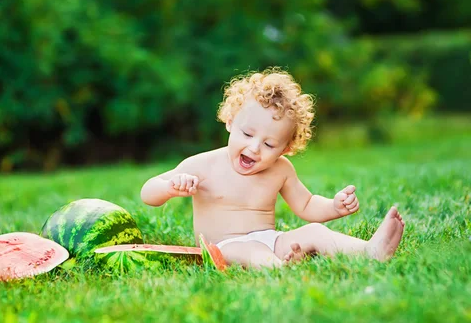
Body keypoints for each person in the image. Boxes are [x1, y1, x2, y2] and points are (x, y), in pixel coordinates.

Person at [140, 67, 405, 269]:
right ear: (230, 121)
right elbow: (147, 193)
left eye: (269, 144)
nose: (254, 148)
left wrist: (334, 207)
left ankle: (370, 251)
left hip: (272, 240)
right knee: (252, 250)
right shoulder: (203, 164)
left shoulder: (281, 169)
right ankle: (278, 268)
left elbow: (307, 205)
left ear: (286, 148)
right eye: (247, 134)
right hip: (223, 248)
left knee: (314, 232)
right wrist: (169, 187)